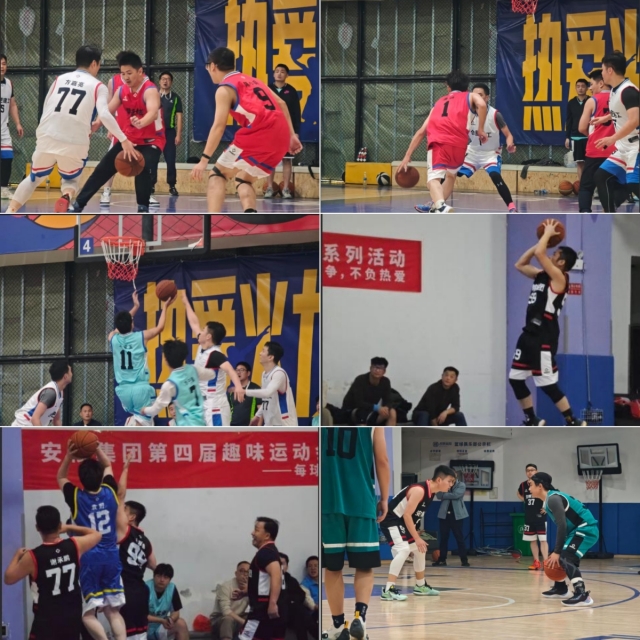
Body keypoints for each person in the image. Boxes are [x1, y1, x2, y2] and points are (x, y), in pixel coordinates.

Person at [5, 45, 136, 214]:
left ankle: (10, 211)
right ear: (94, 63)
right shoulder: (98, 86)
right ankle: (66, 195)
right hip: (75, 140)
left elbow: (46, 106)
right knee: (72, 179)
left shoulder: (59, 79)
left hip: (47, 134)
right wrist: (123, 139)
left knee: (34, 177)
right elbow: (104, 114)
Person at [190, 47, 303, 213]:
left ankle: (211, 223)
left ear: (212, 66)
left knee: (217, 174)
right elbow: (282, 103)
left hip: (259, 134)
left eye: (208, 67)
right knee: (243, 179)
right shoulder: (254, 80)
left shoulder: (224, 89)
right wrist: (291, 135)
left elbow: (219, 127)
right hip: (281, 137)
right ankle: (251, 215)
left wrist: (203, 161)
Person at [69, 50, 165, 213]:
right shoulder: (122, 90)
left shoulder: (150, 90)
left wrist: (141, 122)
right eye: (123, 73)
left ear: (140, 71)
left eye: (129, 73)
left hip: (151, 141)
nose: (126, 77)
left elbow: (153, 113)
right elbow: (107, 110)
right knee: (103, 168)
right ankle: (78, 204)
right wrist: (97, 123)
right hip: (130, 140)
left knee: (142, 166)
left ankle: (143, 208)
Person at [510, 221, 585, 426]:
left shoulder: (560, 278)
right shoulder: (541, 275)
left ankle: (572, 420)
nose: (550, 255)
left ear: (561, 263)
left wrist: (547, 235)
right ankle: (531, 418)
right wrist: (541, 241)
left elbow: (540, 254)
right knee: (515, 379)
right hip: (529, 333)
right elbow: (520, 264)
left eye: (555, 254)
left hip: (544, 335)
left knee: (547, 384)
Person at [322, 427, 390, 640]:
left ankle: (338, 625)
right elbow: (382, 460)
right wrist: (384, 498)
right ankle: (360, 617)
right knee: (364, 565)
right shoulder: (373, 425)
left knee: (333, 568)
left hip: (328, 502)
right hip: (361, 501)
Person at [58, 442, 129, 639]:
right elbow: (107, 464)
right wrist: (96, 447)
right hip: (111, 556)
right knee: (113, 610)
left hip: (89, 558)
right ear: (100, 477)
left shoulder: (75, 497)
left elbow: (61, 477)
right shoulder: (110, 490)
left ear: (81, 479)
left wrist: (68, 456)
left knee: (88, 613)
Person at [3, 506, 102, 640]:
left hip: (47, 617)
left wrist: (17, 555)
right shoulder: (75, 545)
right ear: (59, 525)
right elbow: (97, 534)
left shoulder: (32, 556)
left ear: (37, 527)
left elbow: (8, 578)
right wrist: (68, 527)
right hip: (72, 614)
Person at [398, 70, 488, 213]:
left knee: (433, 179)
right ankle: (436, 206)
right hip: (459, 145)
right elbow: (482, 105)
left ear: (448, 87)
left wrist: (407, 155)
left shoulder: (439, 103)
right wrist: (481, 130)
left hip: (439, 143)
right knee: (451, 176)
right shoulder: (470, 96)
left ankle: (440, 206)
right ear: (467, 87)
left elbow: (421, 131)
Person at [379, 465, 456, 601]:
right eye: (450, 481)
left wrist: (415, 531)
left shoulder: (431, 492)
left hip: (402, 522)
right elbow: (407, 515)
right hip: (392, 520)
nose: (451, 485)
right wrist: (416, 537)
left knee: (420, 549)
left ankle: (420, 586)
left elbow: (414, 515)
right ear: (439, 480)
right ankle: (388, 590)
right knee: (403, 549)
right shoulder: (419, 490)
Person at [528, 472, 598, 607]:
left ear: (540, 486)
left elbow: (562, 525)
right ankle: (561, 588)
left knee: (565, 557)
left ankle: (582, 595)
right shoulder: (549, 499)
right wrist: (556, 552)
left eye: (530, 485)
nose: (529, 489)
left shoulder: (553, 499)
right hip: (576, 531)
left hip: (586, 529)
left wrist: (558, 551)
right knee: (555, 557)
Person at [109, 291, 175, 426]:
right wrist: (165, 307)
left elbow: (118, 328)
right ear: (131, 324)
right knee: (145, 421)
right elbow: (160, 327)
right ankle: (133, 430)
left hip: (123, 390)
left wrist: (135, 307)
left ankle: (131, 424)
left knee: (139, 418)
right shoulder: (141, 337)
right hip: (140, 388)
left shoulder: (113, 338)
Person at [141, 339, 241, 426]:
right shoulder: (193, 369)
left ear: (165, 360)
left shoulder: (170, 385)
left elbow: (155, 409)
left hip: (186, 426)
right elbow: (212, 375)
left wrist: (145, 410)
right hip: (202, 423)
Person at [181, 291, 245, 425]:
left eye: (203, 330)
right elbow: (194, 323)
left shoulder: (215, 355)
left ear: (208, 337)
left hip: (215, 406)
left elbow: (230, 370)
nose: (200, 332)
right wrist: (186, 303)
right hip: (202, 404)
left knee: (218, 437)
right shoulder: (202, 345)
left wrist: (238, 386)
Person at [457, 83, 517, 212]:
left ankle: (511, 206)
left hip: (491, 153)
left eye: (480, 95)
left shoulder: (495, 114)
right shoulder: (467, 113)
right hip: (472, 152)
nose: (476, 97)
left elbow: (509, 135)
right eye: (474, 95)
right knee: (451, 172)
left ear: (487, 97)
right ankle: (435, 202)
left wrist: (510, 144)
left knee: (495, 176)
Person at [593, 51, 639, 212]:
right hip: (624, 147)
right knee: (601, 176)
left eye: (602, 69)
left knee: (634, 184)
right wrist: (605, 118)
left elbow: (634, 120)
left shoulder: (629, 91)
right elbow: (621, 111)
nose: (602, 73)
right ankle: (609, 215)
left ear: (610, 70)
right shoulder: (615, 90)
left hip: (636, 146)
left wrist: (611, 138)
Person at [234, 518, 287, 640]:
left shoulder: (266, 553)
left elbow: (276, 576)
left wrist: (272, 603)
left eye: (256, 530)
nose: (252, 533)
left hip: (263, 613)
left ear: (267, 535)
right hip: (268, 612)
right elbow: (264, 582)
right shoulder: (269, 552)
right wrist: (246, 592)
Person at [577, 69, 616, 213]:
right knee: (608, 187)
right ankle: (609, 214)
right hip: (615, 151)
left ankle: (585, 213)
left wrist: (593, 135)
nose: (590, 88)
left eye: (591, 84)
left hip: (596, 150)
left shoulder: (592, 101)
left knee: (586, 187)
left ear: (601, 83)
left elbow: (582, 127)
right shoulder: (619, 99)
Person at [119, 500, 157, 640]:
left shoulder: (124, 530)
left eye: (124, 510)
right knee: (140, 634)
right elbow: (153, 564)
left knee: (126, 633)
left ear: (131, 517)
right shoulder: (146, 540)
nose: (119, 512)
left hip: (126, 588)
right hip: (141, 590)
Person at [265, 64, 302, 199]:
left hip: (286, 130)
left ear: (287, 75)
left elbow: (296, 113)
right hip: (270, 129)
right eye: (277, 71)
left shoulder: (291, 91)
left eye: (282, 71)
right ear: (273, 74)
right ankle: (269, 187)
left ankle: (286, 189)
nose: (279, 73)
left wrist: (295, 132)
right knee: (270, 159)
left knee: (287, 159)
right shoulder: (267, 90)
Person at [246, 341, 298, 426]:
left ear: (270, 357)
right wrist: (258, 415)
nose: (260, 353)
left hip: (284, 423)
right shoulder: (264, 374)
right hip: (270, 422)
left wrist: (244, 391)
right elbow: (267, 399)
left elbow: (267, 393)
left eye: (263, 351)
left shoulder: (279, 373)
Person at [12, 359, 72, 426]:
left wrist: (62, 433)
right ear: (65, 376)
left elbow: (56, 420)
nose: (72, 374)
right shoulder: (50, 392)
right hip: (21, 425)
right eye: (70, 371)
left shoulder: (60, 392)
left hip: (30, 426)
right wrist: (41, 433)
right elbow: (35, 419)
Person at [151, 71, 183, 198]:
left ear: (171, 82)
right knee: (153, 159)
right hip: (155, 133)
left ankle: (172, 185)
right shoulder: (153, 96)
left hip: (169, 133)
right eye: (163, 79)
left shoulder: (175, 98)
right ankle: (151, 185)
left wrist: (178, 134)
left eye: (168, 79)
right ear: (159, 81)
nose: (165, 81)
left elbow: (179, 117)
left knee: (170, 160)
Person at [341, 357, 396, 426]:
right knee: (362, 415)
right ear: (370, 368)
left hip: (369, 411)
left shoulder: (385, 381)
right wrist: (377, 408)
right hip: (352, 411)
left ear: (384, 371)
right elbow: (359, 402)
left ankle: (389, 432)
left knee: (392, 412)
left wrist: (386, 408)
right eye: (375, 367)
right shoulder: (360, 380)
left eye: (380, 368)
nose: (377, 370)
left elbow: (388, 400)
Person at [434, 470, 470, 568]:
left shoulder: (461, 485)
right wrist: (446, 494)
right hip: (444, 515)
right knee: (443, 538)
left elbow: (456, 495)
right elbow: (438, 495)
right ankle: (442, 559)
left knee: (459, 538)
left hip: (457, 515)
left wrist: (444, 495)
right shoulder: (443, 484)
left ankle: (464, 560)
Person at [0, 53, 24, 199]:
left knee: (8, 157)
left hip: (3, 128)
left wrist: (18, 123)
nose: (1, 66)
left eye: (4, 63)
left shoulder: (9, 83)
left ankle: (3, 188)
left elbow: (13, 104)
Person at [517, 463, 548, 570]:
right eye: (528, 470)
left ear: (536, 471)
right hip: (529, 516)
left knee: (543, 540)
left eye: (532, 470)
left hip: (540, 516)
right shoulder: (523, 485)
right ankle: (536, 562)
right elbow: (518, 493)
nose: (530, 472)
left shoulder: (542, 483)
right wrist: (524, 500)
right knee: (532, 540)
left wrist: (546, 507)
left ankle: (546, 562)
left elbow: (551, 494)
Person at [280, 553, 316, 640]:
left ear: (287, 566)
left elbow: (300, 595)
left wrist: (291, 602)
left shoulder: (291, 580)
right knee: (300, 613)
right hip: (279, 614)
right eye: (278, 563)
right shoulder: (267, 580)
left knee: (299, 616)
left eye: (283, 564)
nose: (280, 566)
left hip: (294, 613)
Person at [146, 564, 189, 640]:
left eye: (165, 577)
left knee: (181, 624)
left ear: (170, 580)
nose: (162, 580)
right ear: (154, 576)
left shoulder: (172, 588)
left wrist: (170, 620)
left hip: (161, 626)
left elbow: (176, 612)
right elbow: (141, 615)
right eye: (159, 576)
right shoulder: (145, 587)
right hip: (145, 626)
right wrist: (162, 620)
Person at [210, 561, 250, 640]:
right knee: (228, 619)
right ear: (236, 573)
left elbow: (256, 607)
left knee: (256, 618)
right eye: (242, 571)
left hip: (239, 616)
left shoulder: (251, 587)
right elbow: (226, 611)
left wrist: (249, 591)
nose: (245, 575)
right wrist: (243, 622)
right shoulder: (226, 586)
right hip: (221, 618)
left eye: (248, 572)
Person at [565, 78, 590, 182]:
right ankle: (581, 185)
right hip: (576, 137)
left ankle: (590, 186)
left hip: (589, 137)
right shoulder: (571, 103)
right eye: (578, 86)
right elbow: (569, 121)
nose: (580, 89)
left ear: (587, 88)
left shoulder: (591, 101)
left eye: (583, 86)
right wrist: (567, 137)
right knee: (580, 163)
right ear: (575, 88)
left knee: (589, 163)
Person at [228, 361, 261, 426]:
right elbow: (228, 409)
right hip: (232, 426)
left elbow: (261, 410)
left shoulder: (255, 388)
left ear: (248, 373)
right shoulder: (232, 390)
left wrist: (259, 428)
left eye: (242, 370)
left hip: (249, 426)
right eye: (237, 370)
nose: (238, 372)